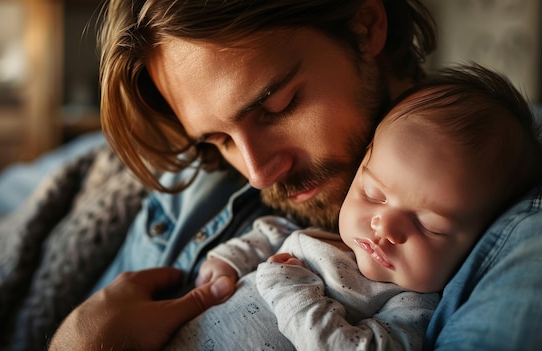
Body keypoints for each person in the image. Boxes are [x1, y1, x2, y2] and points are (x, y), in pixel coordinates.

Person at [49, 0, 542, 350]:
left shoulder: (509, 194)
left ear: (365, 25)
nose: (259, 174)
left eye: (277, 105)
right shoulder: (195, 189)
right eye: (217, 140)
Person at [161, 64, 542, 350]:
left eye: (430, 226)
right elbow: (270, 234)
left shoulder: (409, 308)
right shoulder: (322, 235)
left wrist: (294, 295)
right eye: (374, 194)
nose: (384, 227)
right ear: (362, 167)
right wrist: (227, 260)